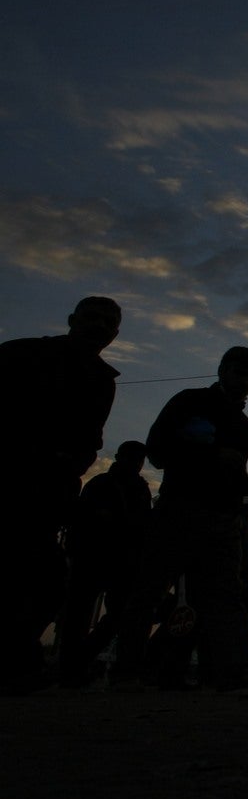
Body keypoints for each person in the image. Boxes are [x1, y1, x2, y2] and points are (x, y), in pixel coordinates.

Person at [111, 346, 248, 691]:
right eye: (239, 373)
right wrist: (213, 455)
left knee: (225, 597)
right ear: (222, 369)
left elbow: (232, 469)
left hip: (223, 520)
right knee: (149, 591)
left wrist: (246, 484)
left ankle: (229, 671)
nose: (244, 382)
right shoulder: (189, 401)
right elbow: (158, 451)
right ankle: (126, 672)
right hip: (179, 512)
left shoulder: (242, 424)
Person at [0, 295, 121, 694]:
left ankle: (17, 656)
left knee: (45, 578)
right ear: (72, 319)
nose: (99, 326)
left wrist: (70, 466)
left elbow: (92, 437)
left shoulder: (102, 379)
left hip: (50, 490)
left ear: (115, 333)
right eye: (92, 317)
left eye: (108, 322)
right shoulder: (25, 354)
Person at [57, 440, 153, 687]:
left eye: (139, 459)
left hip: (123, 561)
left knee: (118, 614)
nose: (136, 464)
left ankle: (76, 662)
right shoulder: (101, 484)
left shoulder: (140, 489)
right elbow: (80, 519)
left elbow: (142, 526)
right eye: (132, 458)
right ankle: (69, 668)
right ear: (120, 457)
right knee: (78, 615)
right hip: (92, 557)